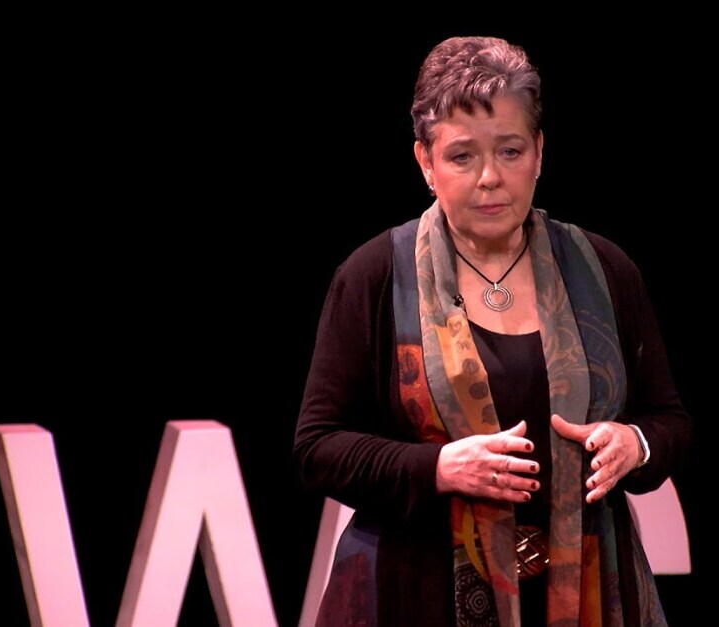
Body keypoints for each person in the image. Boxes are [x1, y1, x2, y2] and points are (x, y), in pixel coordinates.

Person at [294, 35, 691, 627]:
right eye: (462, 156)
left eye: (509, 151)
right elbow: (318, 446)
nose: (489, 177)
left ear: (539, 152)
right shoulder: (376, 276)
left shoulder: (604, 271)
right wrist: (438, 468)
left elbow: (668, 419)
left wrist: (636, 443)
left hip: (589, 591)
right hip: (417, 595)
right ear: (425, 162)